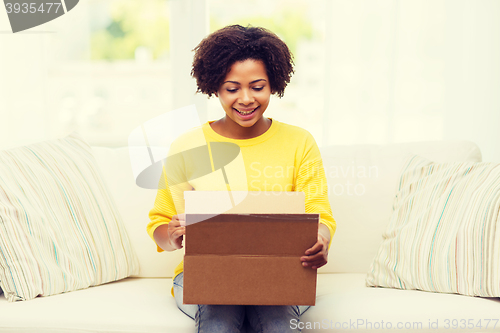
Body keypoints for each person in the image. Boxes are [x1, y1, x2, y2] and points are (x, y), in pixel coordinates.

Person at [147, 25, 336, 333]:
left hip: (280, 274)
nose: (246, 99)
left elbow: (319, 212)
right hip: (204, 276)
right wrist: (173, 234)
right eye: (232, 88)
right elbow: (159, 224)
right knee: (218, 319)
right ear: (215, 89)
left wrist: (322, 240)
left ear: (273, 84)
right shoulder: (187, 147)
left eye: (257, 87)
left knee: (277, 323)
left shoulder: (299, 142)